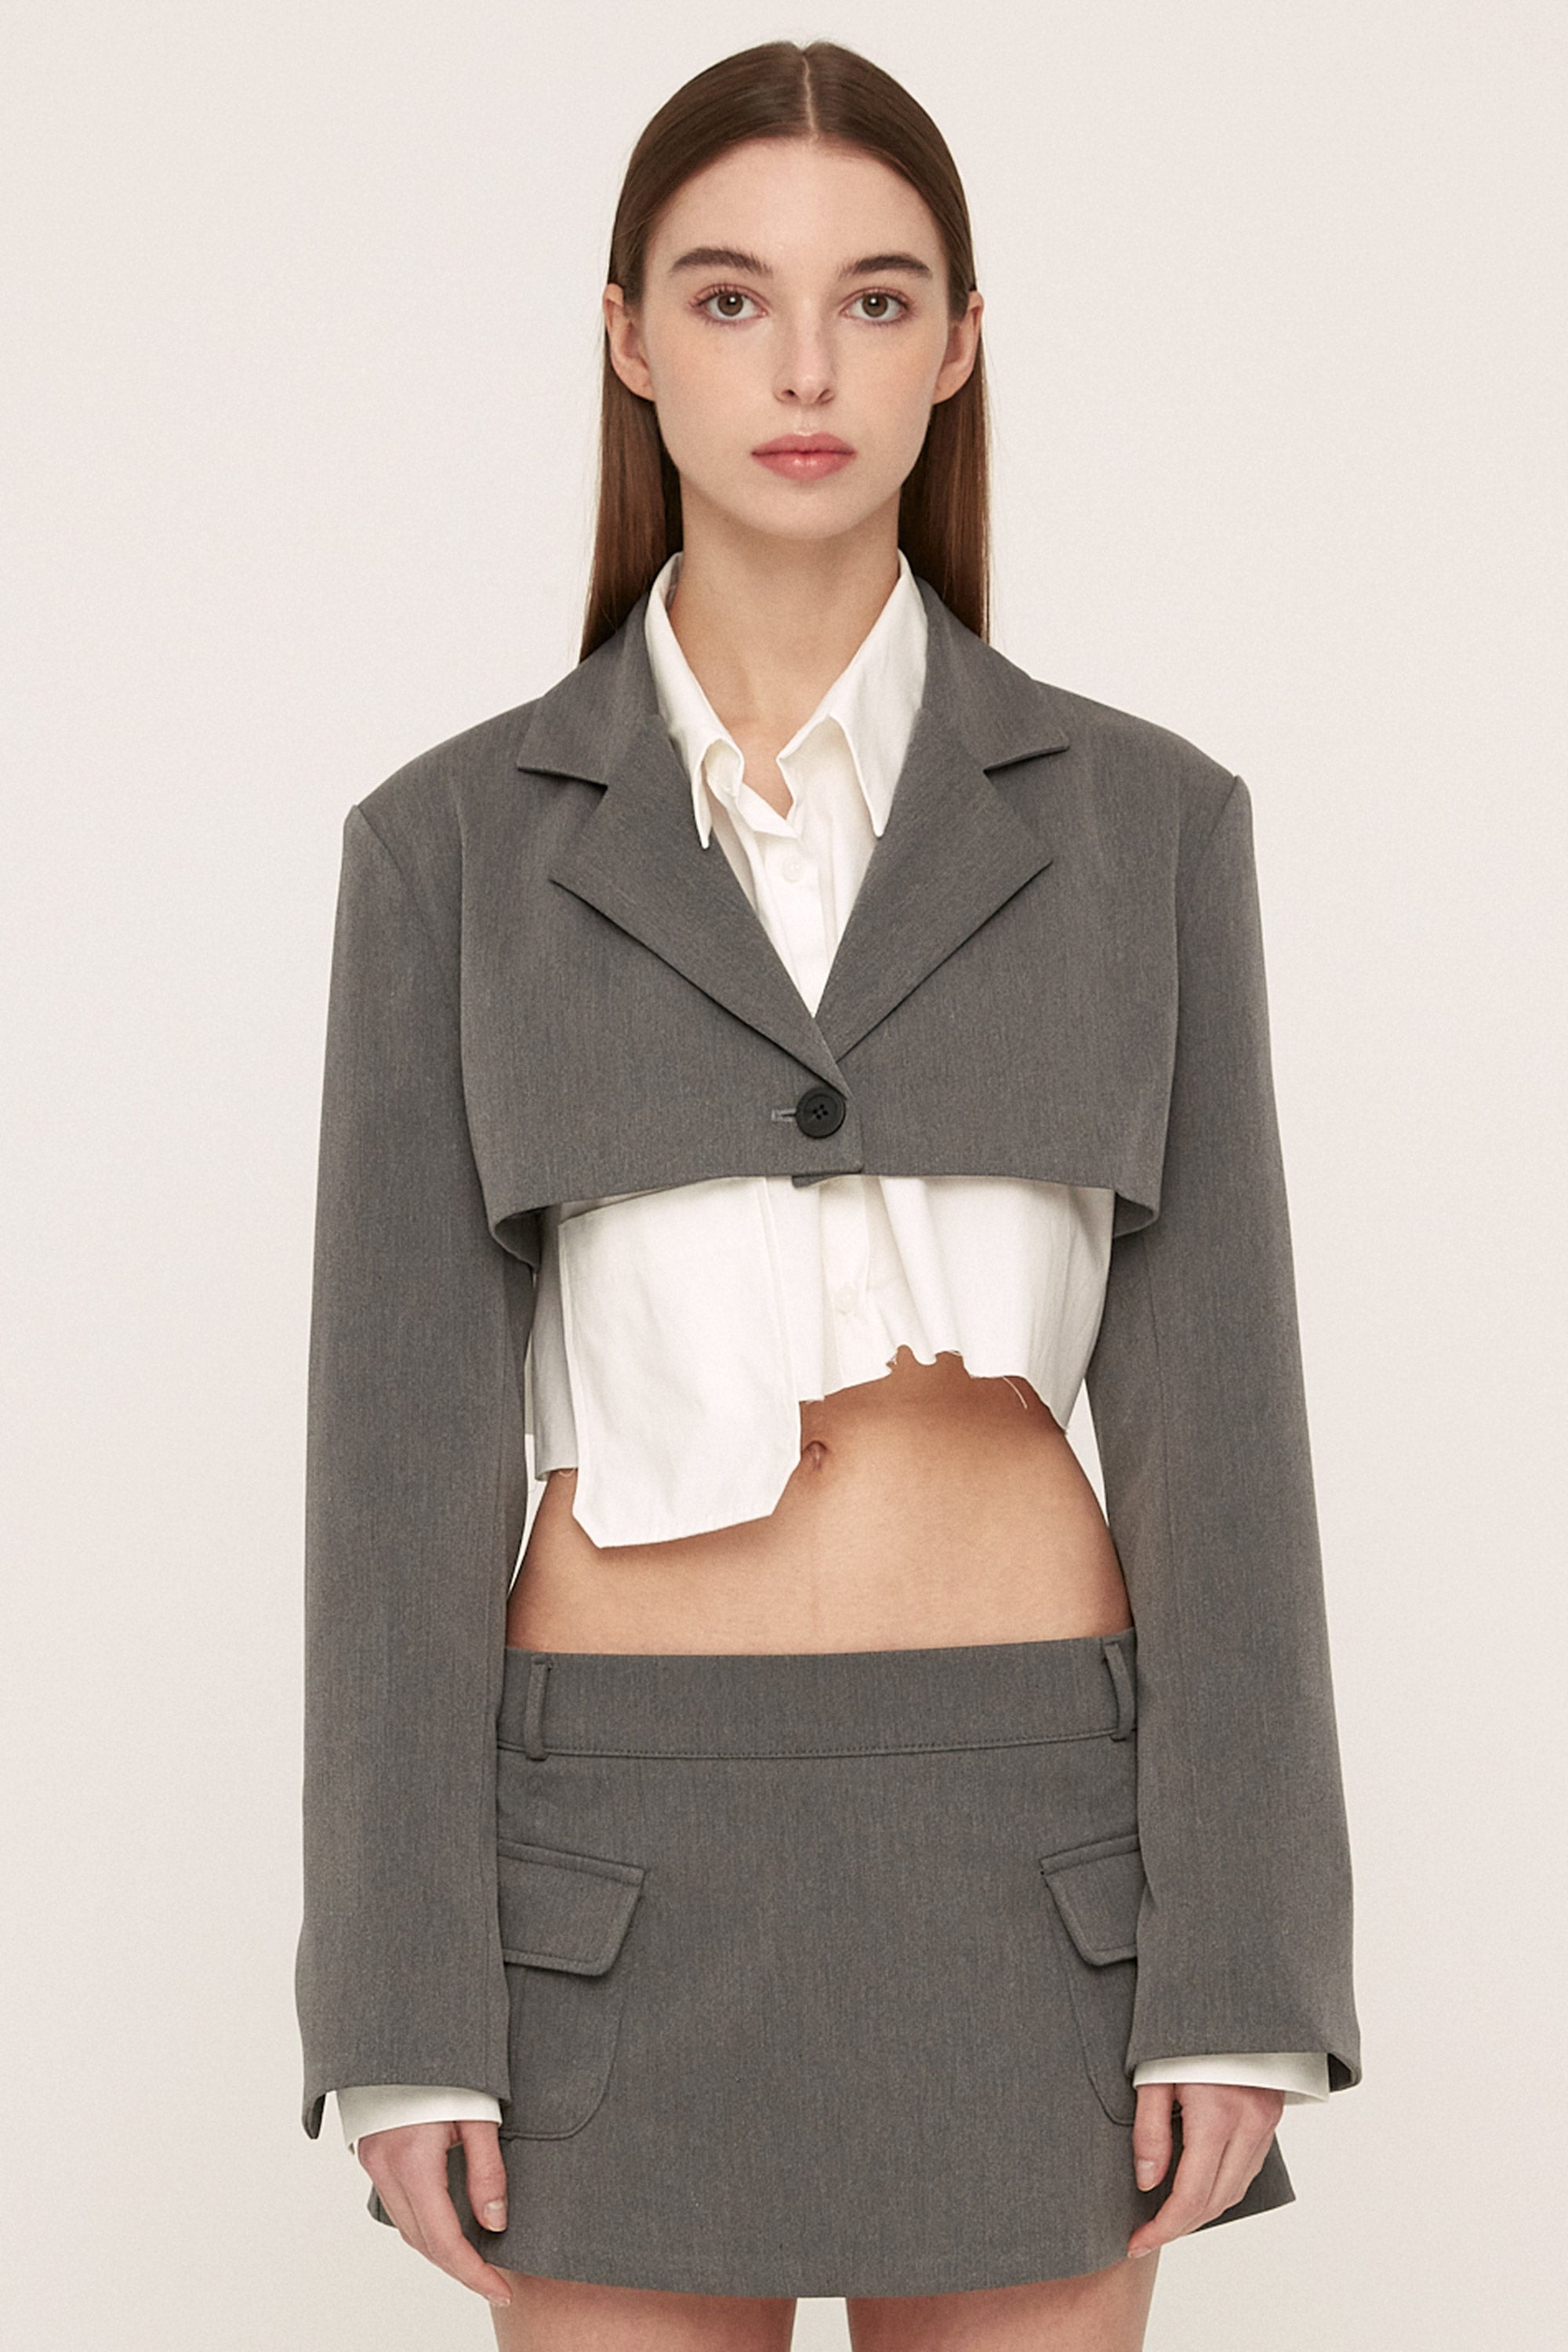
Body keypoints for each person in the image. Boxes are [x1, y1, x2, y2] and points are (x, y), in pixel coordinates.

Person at [296, 39, 1360, 2352]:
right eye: (730, 298)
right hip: (600, 1891)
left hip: (1038, 1873)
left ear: (960, 346)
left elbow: (1225, 1438)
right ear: (626, 338)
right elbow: (393, 1468)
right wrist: (398, 2008)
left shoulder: (1149, 831)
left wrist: (1248, 1966)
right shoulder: (451, 850)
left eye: (876, 300)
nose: (805, 369)